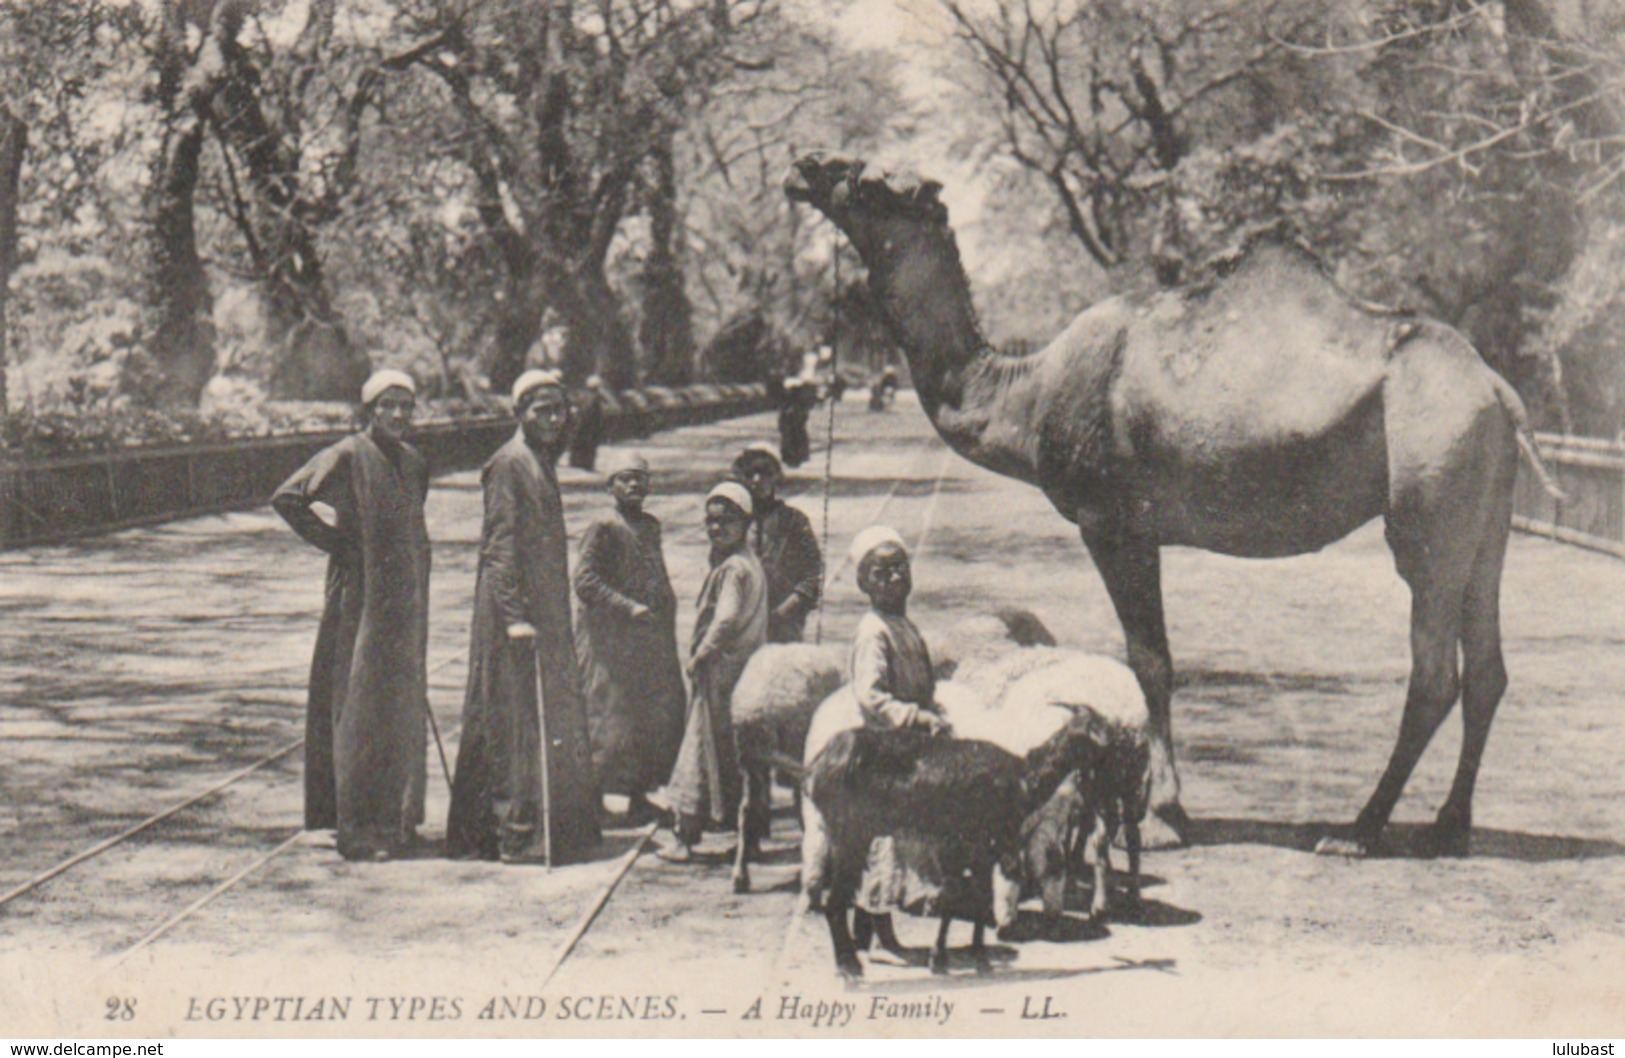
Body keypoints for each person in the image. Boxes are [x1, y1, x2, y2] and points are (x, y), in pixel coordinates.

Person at [271, 368, 431, 862]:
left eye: (407, 405)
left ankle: (396, 816)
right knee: (358, 700)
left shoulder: (413, 462)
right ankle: (357, 827)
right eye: (389, 405)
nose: (399, 415)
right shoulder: (347, 454)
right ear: (369, 410)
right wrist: (338, 543)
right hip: (359, 597)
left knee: (398, 701)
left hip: (403, 598)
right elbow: (289, 498)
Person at [446, 369, 601, 864]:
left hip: (546, 611)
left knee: (545, 715)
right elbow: (499, 549)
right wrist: (514, 616)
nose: (553, 419)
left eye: (559, 409)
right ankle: (510, 831)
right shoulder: (508, 464)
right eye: (542, 410)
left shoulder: (541, 460)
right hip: (511, 615)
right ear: (519, 414)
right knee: (510, 718)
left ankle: (549, 822)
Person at [650, 482, 767, 863]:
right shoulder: (749, 561)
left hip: (721, 671)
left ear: (746, 523)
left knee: (697, 750)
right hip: (744, 671)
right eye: (711, 522)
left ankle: (686, 835)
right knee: (732, 754)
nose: (717, 529)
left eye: (727, 521)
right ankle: (745, 833)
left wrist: (701, 655)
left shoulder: (734, 569)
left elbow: (727, 618)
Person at [575, 451, 687, 822]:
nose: (634, 485)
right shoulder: (603, 527)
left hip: (649, 639)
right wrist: (626, 606)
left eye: (640, 478)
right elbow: (585, 581)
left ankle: (640, 794)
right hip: (611, 641)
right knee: (608, 720)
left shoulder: (651, 526)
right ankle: (593, 798)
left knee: (649, 718)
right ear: (611, 486)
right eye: (625, 479)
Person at [731, 443, 822, 643]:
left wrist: (786, 610)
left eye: (764, 473)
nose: (757, 480)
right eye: (750, 474)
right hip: (741, 624)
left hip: (785, 623)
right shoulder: (733, 522)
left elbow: (813, 573)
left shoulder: (794, 521)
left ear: (776, 477)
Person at [569, 375, 605, 471]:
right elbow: (594, 416)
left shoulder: (582, 396)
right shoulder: (595, 399)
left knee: (579, 446)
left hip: (580, 427)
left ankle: (576, 464)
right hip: (590, 428)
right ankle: (586, 465)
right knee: (589, 447)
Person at [777, 377, 813, 467]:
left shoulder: (795, 399)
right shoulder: (796, 399)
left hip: (794, 419)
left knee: (793, 436)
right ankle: (794, 457)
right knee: (793, 436)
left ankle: (794, 457)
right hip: (792, 419)